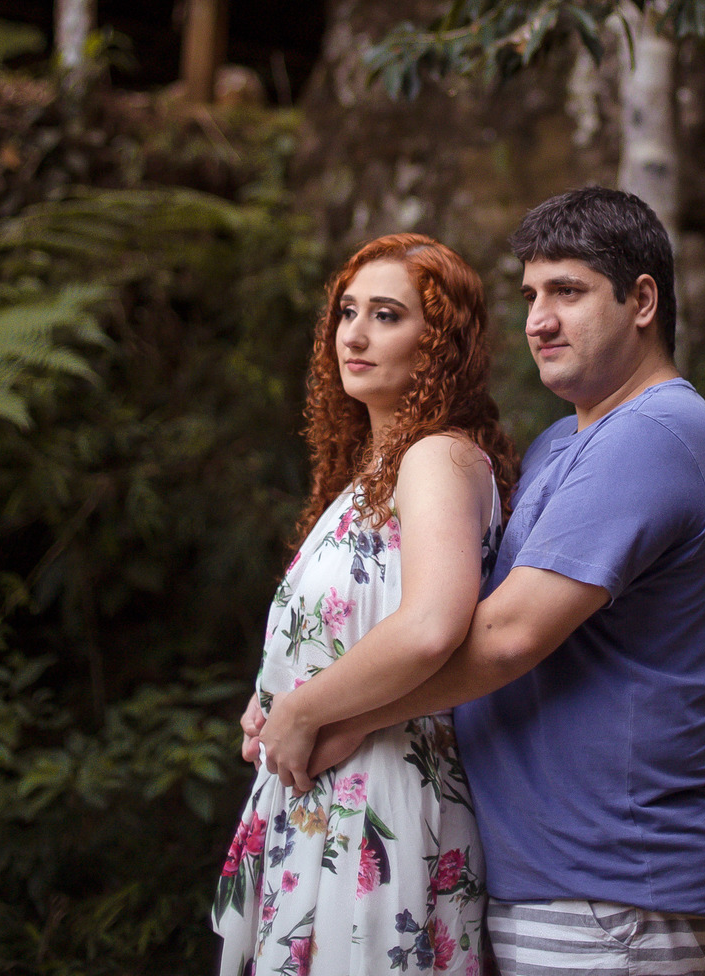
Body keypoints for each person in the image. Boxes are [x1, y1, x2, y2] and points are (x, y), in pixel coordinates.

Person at [260, 186, 705, 976]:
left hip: (615, 886)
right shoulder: (569, 440)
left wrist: (331, 713)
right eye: (530, 294)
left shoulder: (655, 435)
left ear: (642, 301)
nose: (539, 319)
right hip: (555, 878)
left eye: (568, 291)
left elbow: (504, 634)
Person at [215, 231, 518, 976]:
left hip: (382, 802)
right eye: (348, 311)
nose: (354, 332)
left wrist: (303, 709)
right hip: (326, 799)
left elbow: (430, 627)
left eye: (387, 314)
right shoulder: (370, 476)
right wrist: (274, 702)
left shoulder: (437, 457)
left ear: (439, 341)